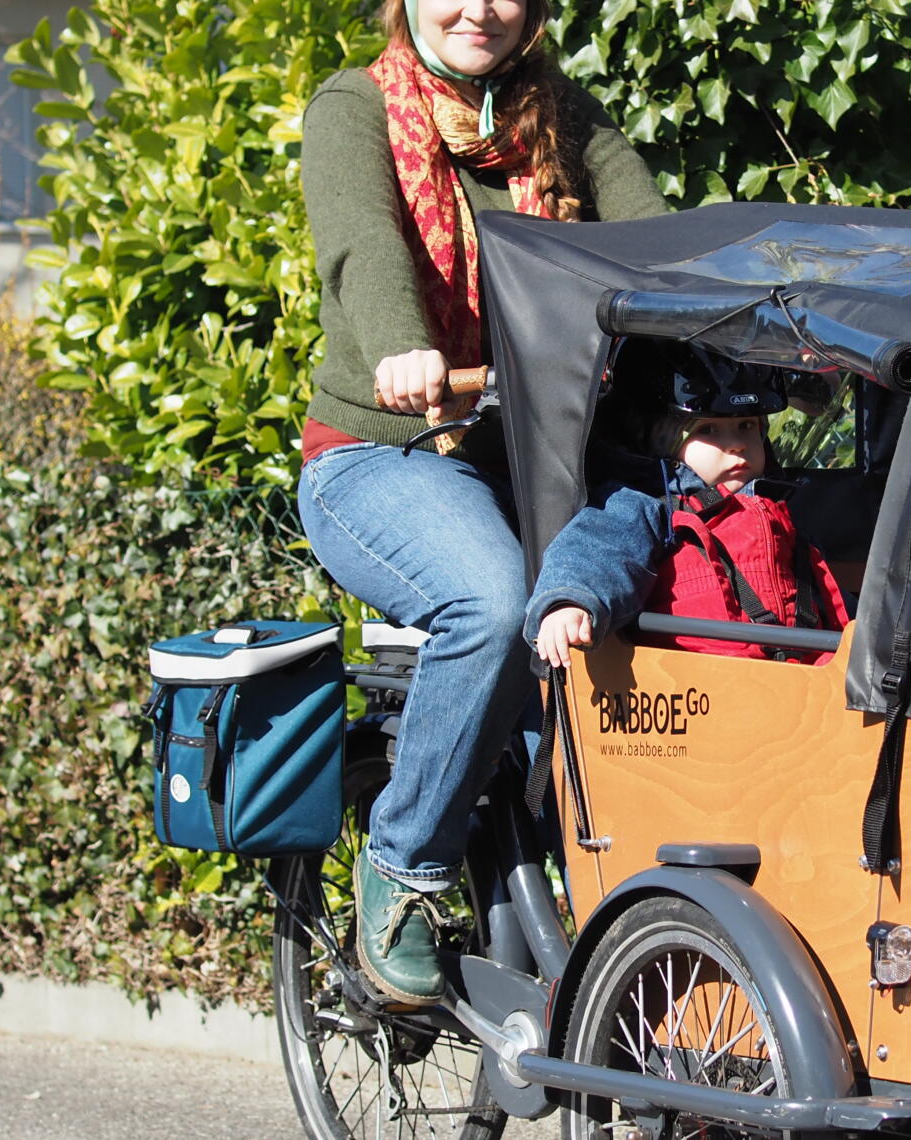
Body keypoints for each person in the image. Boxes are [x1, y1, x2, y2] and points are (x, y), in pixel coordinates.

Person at [294, 0, 665, 1007]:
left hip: (534, 460)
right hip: (384, 455)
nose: (479, 9)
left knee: (667, 596)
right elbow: (361, 246)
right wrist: (397, 347)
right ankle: (404, 866)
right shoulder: (355, 109)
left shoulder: (562, 116)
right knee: (497, 606)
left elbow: (660, 249)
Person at [525, 342, 851, 669]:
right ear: (663, 441)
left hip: (798, 685)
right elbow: (599, 548)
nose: (737, 444)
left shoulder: (779, 513)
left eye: (747, 426)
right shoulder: (651, 505)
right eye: (708, 429)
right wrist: (570, 602)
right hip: (693, 689)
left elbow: (827, 593)